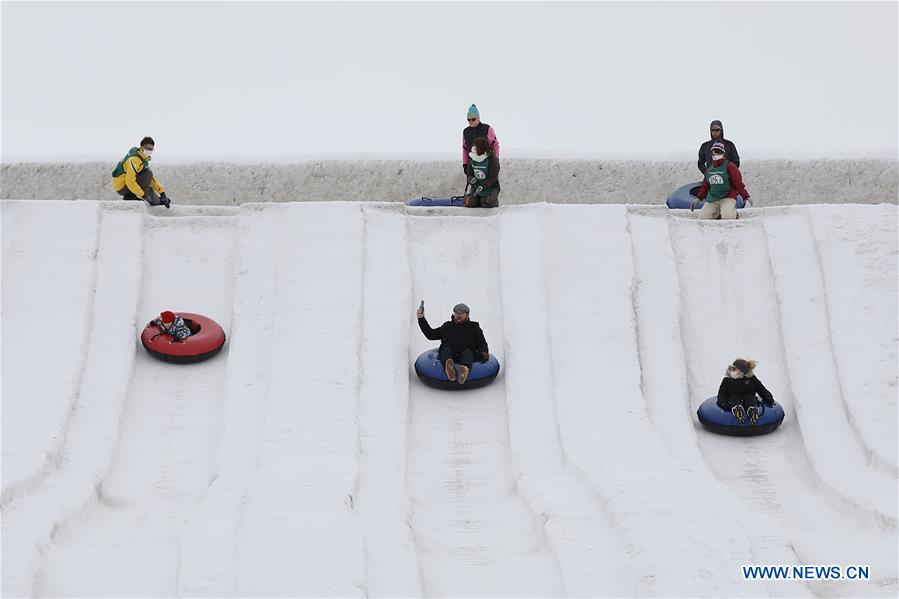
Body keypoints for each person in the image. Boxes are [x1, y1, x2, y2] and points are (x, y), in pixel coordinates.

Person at [416, 302, 489, 385]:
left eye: (462, 314)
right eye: (456, 313)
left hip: (465, 352)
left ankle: (464, 370)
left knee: (468, 353)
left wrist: (484, 352)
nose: (458, 316)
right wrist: (421, 319)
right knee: (446, 350)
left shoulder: (474, 329)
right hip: (449, 352)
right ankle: (449, 367)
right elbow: (430, 334)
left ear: (467, 315)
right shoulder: (447, 326)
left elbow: (482, 343)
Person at [692, 141, 751, 220]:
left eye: (719, 152)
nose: (716, 154)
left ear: (723, 153)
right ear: (711, 153)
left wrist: (745, 196)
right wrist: (698, 198)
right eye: (715, 151)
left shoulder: (730, 166)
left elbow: (738, 183)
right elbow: (705, 186)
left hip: (728, 196)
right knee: (702, 218)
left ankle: (733, 213)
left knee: (728, 217)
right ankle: (717, 213)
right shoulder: (709, 170)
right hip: (713, 197)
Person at [112, 136, 172, 208]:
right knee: (148, 175)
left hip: (127, 185)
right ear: (142, 147)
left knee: (146, 185)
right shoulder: (134, 159)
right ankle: (130, 196)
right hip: (122, 186)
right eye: (147, 147)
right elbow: (130, 181)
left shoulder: (143, 158)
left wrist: (162, 193)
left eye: (151, 148)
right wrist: (143, 195)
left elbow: (151, 179)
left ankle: (158, 202)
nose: (150, 150)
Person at [716, 359, 775, 426]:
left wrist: (768, 397)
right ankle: (738, 410)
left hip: (749, 400)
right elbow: (721, 394)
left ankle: (752, 411)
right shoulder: (727, 381)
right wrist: (723, 402)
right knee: (734, 398)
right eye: (732, 368)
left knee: (750, 398)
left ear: (742, 372)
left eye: (735, 369)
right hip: (733, 401)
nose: (732, 370)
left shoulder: (752, 380)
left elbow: (762, 390)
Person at [462, 104, 500, 179]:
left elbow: (495, 145)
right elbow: (465, 149)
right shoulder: (466, 132)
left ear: (478, 118)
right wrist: (465, 164)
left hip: (487, 164)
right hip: (472, 165)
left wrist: (496, 160)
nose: (471, 122)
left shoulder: (487, 129)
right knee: (473, 187)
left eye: (473, 119)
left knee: (488, 186)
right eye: (468, 120)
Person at [464, 137, 500, 208]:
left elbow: (493, 176)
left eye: (475, 147)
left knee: (487, 202)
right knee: (470, 203)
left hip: (491, 187)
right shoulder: (472, 158)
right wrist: (471, 179)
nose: (473, 148)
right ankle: (476, 199)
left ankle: (492, 199)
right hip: (476, 187)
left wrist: (483, 185)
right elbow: (469, 173)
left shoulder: (491, 160)